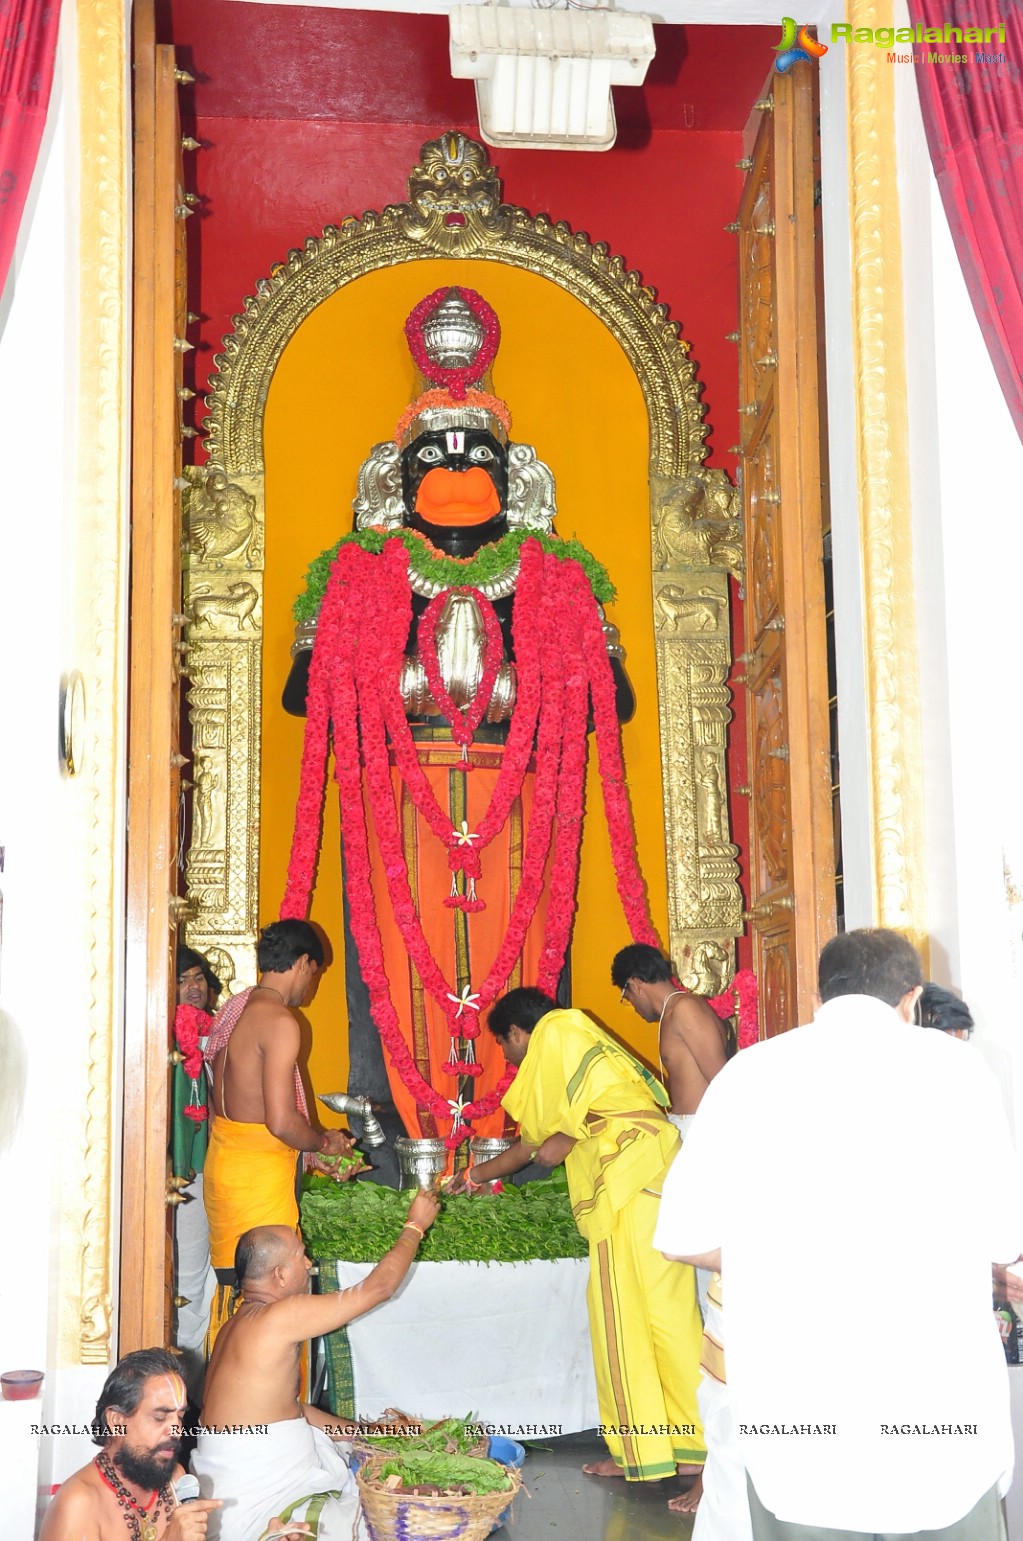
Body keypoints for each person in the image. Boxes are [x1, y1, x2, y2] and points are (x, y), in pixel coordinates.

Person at [654, 927, 1023, 1540]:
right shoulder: (956, 1069)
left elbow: (680, 1236)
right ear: (912, 999)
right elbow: (1004, 1237)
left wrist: (775, 1257)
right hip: (935, 1415)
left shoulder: (749, 1075)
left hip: (798, 1419)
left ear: (819, 1001)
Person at [449, 986, 705, 1501]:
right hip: (657, 1176)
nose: (511, 1059)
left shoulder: (555, 1032)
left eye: (506, 1047)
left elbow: (540, 1143)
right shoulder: (580, 1034)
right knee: (668, 1320)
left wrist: (480, 1171)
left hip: (624, 1183)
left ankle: (644, 1452)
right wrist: (489, 1169)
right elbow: (555, 1136)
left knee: (622, 1319)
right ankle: (689, 1453)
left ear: (519, 1032)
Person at [192, 1190, 440, 1541]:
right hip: (260, 1504)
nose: (309, 1263)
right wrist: (415, 1225)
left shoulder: (234, 1326)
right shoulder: (278, 1317)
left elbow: (290, 1412)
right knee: (403, 1516)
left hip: (236, 1492)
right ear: (279, 1275)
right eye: (301, 1255)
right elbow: (379, 1288)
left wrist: (371, 1435)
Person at [611, 941, 732, 1515]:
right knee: (688, 1293)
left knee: (712, 1303)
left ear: (635, 984)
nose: (628, 1005)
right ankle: (692, 1450)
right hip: (687, 1148)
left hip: (707, 1150)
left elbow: (728, 1087)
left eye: (624, 995)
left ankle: (712, 1467)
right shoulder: (673, 1016)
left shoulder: (684, 1010)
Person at [202, 919, 359, 1346]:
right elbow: (281, 1123)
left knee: (236, 1307)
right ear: (304, 963)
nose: (311, 986)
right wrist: (325, 1141)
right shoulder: (278, 1021)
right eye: (315, 973)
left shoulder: (236, 1014)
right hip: (257, 1187)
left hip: (228, 1174)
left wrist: (314, 1150)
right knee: (269, 1319)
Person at [38, 1347, 222, 1540]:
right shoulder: (78, 1505)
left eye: (180, 1417)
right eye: (159, 1417)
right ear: (116, 1421)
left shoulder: (176, 1480)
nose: (175, 1431)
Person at [173, 945, 222, 1386]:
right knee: (188, 1280)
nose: (194, 987)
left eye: (198, 977)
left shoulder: (216, 1032)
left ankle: (195, 1382)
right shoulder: (169, 1040)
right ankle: (181, 1387)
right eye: (183, 980)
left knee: (205, 1280)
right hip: (184, 1175)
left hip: (216, 1169)